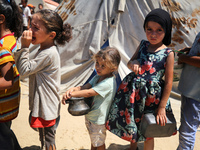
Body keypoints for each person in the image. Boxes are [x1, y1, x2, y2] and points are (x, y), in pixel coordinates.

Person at [106, 8, 175, 150]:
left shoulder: (168, 53)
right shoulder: (143, 44)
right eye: (149, 29)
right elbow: (130, 62)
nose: (153, 34)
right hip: (134, 93)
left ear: (166, 31)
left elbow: (168, 82)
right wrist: (134, 64)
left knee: (149, 128)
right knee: (133, 123)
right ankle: (133, 148)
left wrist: (162, 107)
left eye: (159, 30)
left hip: (152, 97)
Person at [14, 9, 72, 150]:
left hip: (47, 107)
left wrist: (25, 47)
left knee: (48, 139)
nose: (30, 30)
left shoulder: (48, 53)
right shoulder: (45, 49)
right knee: (44, 137)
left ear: (51, 35)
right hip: (46, 106)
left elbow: (24, 70)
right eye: (30, 25)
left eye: (36, 28)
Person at [62, 47, 121, 150]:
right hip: (91, 116)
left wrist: (72, 95)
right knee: (94, 141)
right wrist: (73, 89)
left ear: (113, 68)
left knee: (99, 143)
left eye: (103, 66)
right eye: (97, 63)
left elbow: (89, 92)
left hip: (99, 120)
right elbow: (85, 87)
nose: (98, 67)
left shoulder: (108, 83)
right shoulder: (98, 77)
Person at [0, 0, 23, 149]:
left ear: (1, 19)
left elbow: (7, 81)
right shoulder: (12, 39)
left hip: (2, 105)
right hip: (10, 103)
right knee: (5, 132)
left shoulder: (3, 46)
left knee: (2, 138)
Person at [176, 32, 200, 149]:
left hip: (194, 94)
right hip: (192, 90)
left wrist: (184, 58)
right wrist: (190, 50)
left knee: (187, 130)